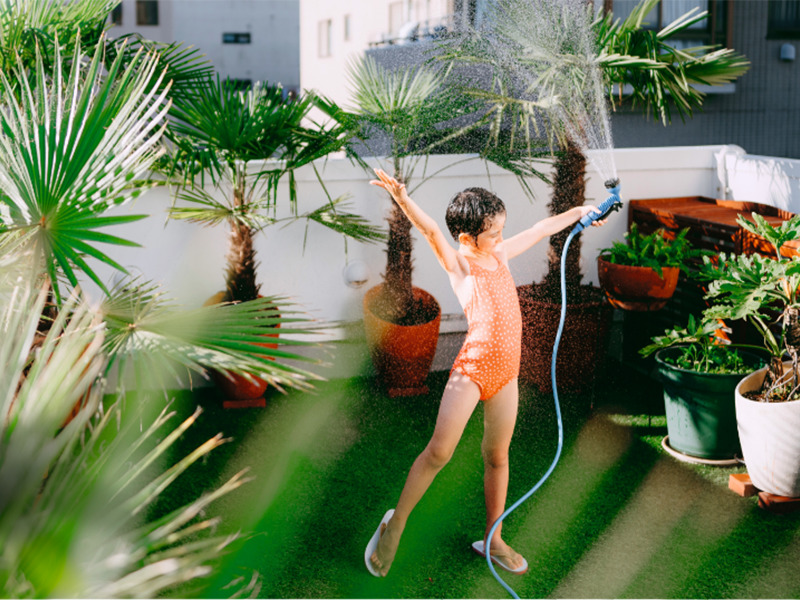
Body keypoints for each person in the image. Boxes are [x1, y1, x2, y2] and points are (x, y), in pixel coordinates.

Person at [365, 168, 607, 577]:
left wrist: (579, 211)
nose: (500, 238)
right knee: (439, 451)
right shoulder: (460, 265)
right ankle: (396, 522)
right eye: (493, 232)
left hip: (506, 374)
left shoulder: (499, 254)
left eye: (500, 230)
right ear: (466, 238)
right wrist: (403, 199)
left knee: (497, 456)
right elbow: (428, 231)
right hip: (472, 371)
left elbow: (541, 226)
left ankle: (492, 538)